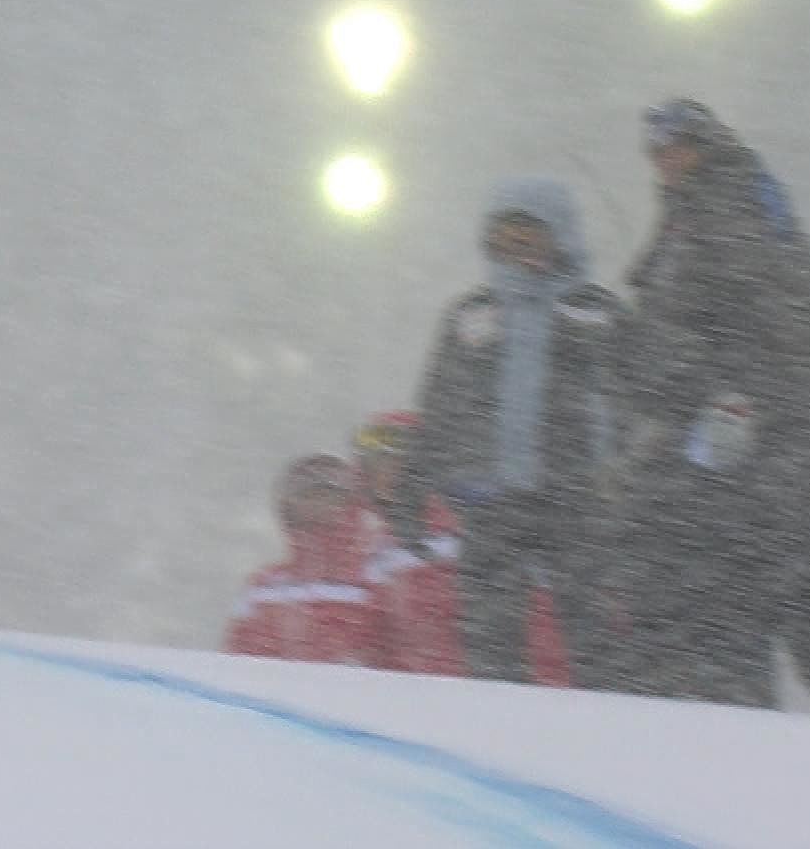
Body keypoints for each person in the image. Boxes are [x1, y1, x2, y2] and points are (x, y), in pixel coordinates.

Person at [610, 98, 810, 714]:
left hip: (759, 468)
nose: (666, 163)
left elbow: (769, 342)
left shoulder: (725, 231)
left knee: (756, 609)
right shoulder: (701, 235)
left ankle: (758, 736)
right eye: (657, 152)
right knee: (766, 610)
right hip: (741, 462)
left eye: (677, 146)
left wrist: (749, 412)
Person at [392, 177, 628, 689]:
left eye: (529, 234)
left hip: (575, 498)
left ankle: (610, 731)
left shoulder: (596, 313)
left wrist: (630, 489)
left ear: (559, 238)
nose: (516, 245)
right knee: (490, 635)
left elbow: (635, 406)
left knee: (592, 630)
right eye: (504, 234)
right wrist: (414, 491)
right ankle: (501, 725)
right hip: (491, 500)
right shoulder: (472, 316)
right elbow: (438, 409)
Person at [353, 411, 573, 685]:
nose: (390, 473)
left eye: (400, 461)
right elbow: (380, 645)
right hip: (419, 708)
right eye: (378, 463)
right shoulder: (378, 548)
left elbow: (539, 622)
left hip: (491, 697)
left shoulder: (472, 524)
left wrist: (548, 690)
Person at [224, 454, 391, 668]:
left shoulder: (375, 575)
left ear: (350, 505)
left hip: (353, 697)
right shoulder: (264, 585)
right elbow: (236, 657)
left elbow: (398, 650)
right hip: (272, 696)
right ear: (290, 507)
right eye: (309, 495)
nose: (318, 504)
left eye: (330, 496)